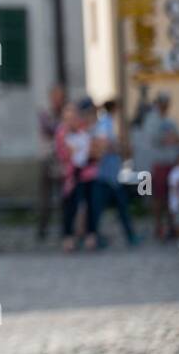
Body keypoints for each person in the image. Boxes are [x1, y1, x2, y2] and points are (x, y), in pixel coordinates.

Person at [92, 99, 139, 246]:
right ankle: (96, 237)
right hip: (106, 174)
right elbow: (105, 144)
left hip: (111, 173)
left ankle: (129, 236)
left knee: (119, 206)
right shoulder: (105, 123)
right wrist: (121, 147)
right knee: (101, 208)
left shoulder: (107, 123)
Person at [56, 98, 101, 251]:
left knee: (91, 205)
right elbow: (64, 154)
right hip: (72, 175)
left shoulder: (85, 129)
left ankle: (91, 235)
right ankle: (68, 237)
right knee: (71, 206)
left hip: (89, 172)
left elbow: (95, 149)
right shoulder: (62, 132)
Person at [142, 93, 179, 241]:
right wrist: (167, 137)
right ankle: (158, 226)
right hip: (158, 162)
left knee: (171, 195)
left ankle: (172, 225)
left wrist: (174, 138)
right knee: (158, 196)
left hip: (171, 162)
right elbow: (152, 139)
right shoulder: (151, 120)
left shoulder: (171, 120)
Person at [36, 84, 66, 242]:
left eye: (59, 97)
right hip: (47, 158)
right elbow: (51, 129)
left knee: (64, 196)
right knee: (45, 198)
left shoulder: (66, 113)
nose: (57, 100)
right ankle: (42, 229)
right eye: (55, 96)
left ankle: (65, 228)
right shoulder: (45, 113)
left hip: (62, 159)